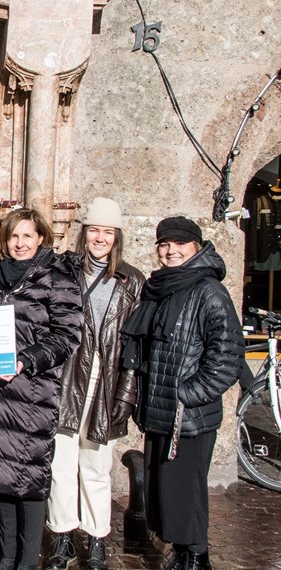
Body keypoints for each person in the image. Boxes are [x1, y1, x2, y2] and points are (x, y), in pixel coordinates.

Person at [0, 208, 83, 570]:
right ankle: (8, 557)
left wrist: (25, 360)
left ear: (41, 237)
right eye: (13, 236)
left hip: (31, 392)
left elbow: (67, 336)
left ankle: (28, 561)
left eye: (27, 236)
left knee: (29, 479)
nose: (20, 243)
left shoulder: (57, 276)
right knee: (0, 477)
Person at [120, 216, 243, 570]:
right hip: (162, 408)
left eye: (179, 243)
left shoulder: (208, 290)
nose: (170, 250)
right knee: (168, 489)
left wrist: (189, 393)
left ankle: (195, 557)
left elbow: (228, 354)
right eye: (164, 243)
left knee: (186, 489)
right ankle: (184, 552)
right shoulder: (162, 287)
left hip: (188, 414)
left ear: (196, 246)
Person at [43, 198, 144, 570]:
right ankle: (62, 535)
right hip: (67, 379)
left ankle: (97, 536)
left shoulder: (132, 279)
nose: (99, 238)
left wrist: (127, 392)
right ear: (83, 233)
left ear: (116, 237)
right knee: (61, 462)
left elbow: (134, 344)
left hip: (106, 380)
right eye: (94, 230)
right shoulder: (64, 272)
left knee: (97, 465)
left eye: (107, 231)